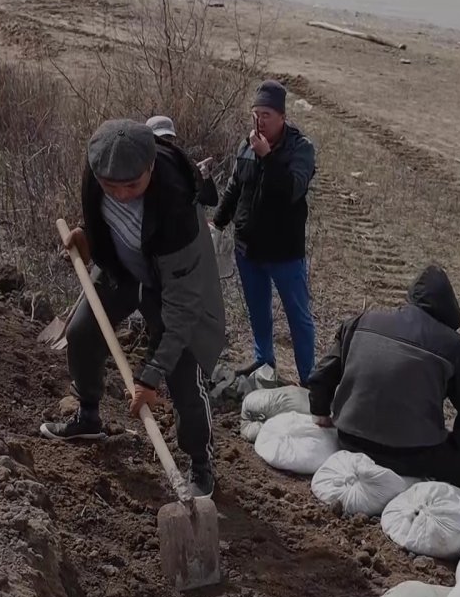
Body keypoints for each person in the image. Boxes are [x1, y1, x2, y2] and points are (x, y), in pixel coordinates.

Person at [39, 119, 226, 498]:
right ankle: (88, 416)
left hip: (177, 289)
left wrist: (149, 376)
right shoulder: (98, 173)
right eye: (112, 187)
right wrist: (89, 238)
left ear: (151, 166)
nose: (121, 195)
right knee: (82, 333)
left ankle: (200, 464)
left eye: (132, 186)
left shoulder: (176, 205)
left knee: (183, 374)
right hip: (124, 272)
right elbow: (110, 221)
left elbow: (182, 308)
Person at [307, 265, 460, 517]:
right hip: (412, 456)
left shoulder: (360, 322)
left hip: (349, 440)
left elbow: (321, 375)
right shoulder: (454, 346)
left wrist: (321, 412)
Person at [212, 80, 317, 384]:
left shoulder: (301, 148)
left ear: (282, 116)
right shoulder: (247, 144)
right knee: (258, 310)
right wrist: (218, 221)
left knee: (298, 315)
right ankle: (263, 359)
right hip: (249, 248)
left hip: (284, 251)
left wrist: (268, 157)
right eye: (256, 114)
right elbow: (235, 186)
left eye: (266, 115)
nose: (259, 121)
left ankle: (309, 377)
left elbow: (291, 190)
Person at [146, 114, 217, 209]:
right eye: (158, 139)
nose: (164, 142)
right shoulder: (140, 167)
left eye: (167, 138)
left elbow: (211, 200)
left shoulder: (184, 164)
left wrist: (204, 178)